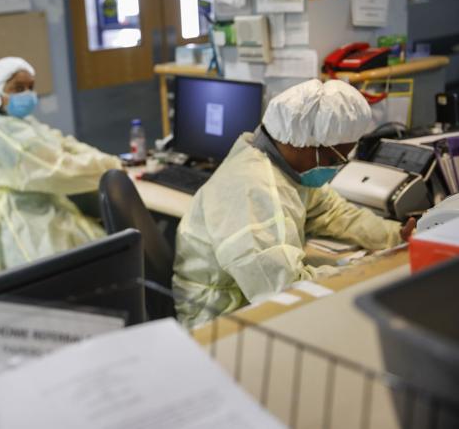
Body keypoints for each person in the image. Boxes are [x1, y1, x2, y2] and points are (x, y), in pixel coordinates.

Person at [173, 79, 417, 328]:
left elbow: (332, 212)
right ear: (304, 143)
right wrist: (366, 268)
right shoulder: (253, 189)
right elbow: (282, 291)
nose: (334, 168)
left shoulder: (284, 165)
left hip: (249, 298)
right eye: (334, 158)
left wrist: (396, 236)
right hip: (218, 320)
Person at [0, 57, 122, 276]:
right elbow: (58, 169)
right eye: (18, 88)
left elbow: (62, 144)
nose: (27, 94)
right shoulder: (1, 130)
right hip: (11, 214)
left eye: (30, 87)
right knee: (46, 277)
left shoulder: (22, 122)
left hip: (34, 202)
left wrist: (105, 160)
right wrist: (110, 167)